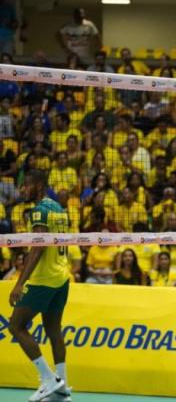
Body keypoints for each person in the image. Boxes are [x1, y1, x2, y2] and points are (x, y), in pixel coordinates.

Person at [8, 170, 70, 401]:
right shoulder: (59, 209)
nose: (23, 190)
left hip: (44, 279)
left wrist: (20, 283)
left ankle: (49, 379)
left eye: (27, 185)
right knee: (54, 330)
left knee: (16, 326)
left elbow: (39, 247)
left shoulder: (39, 211)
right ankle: (63, 386)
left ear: (39, 185)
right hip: (62, 276)